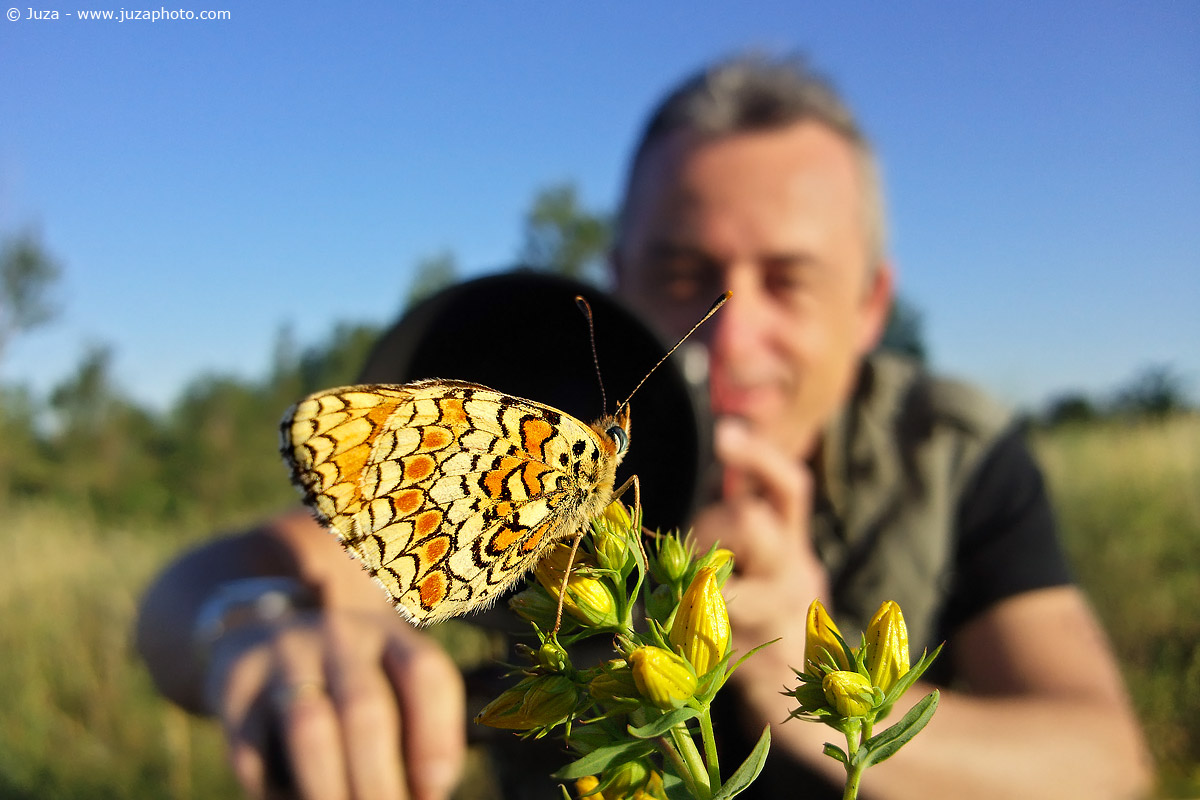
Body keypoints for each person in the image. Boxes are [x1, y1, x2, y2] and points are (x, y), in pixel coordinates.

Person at [136, 55, 1153, 800]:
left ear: (871, 304)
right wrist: (251, 622)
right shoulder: (544, 415)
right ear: (616, 279)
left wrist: (833, 695)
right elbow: (215, 583)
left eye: (788, 280)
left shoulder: (953, 449)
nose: (733, 332)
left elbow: (1110, 766)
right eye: (684, 276)